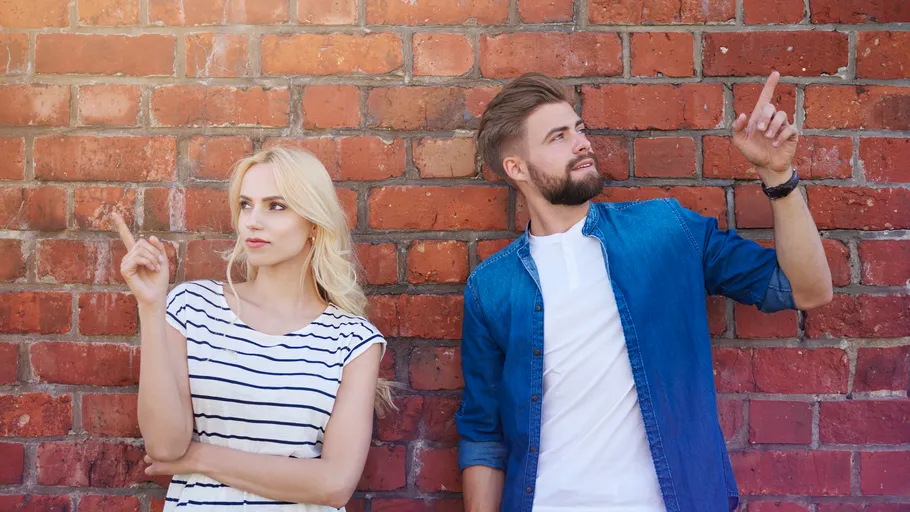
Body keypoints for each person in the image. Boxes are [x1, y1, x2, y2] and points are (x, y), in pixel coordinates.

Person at [455, 71, 833, 512]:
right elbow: (483, 434)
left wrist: (778, 175)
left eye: (579, 129)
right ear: (516, 168)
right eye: (558, 137)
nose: (582, 143)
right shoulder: (491, 287)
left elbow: (806, 290)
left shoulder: (665, 230)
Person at [113, 147, 394, 511]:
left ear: (314, 223)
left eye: (276, 206)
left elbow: (335, 484)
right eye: (246, 205)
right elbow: (165, 447)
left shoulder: (352, 340)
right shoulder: (192, 307)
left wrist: (199, 457)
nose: (252, 221)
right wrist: (152, 307)